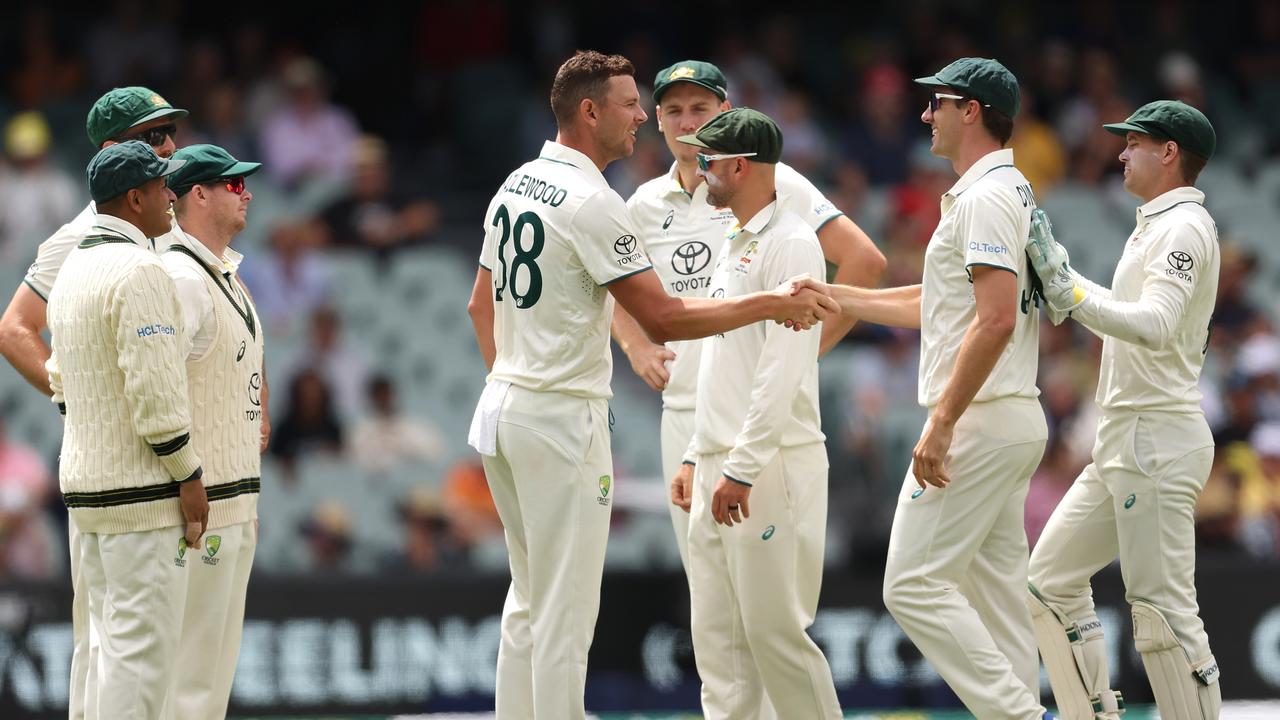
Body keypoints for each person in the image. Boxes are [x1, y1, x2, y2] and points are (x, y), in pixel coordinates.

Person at [465, 50, 836, 720]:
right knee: (566, 610)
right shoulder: (598, 202)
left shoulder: (516, 182)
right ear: (590, 111)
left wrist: (513, 383)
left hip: (504, 408)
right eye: (633, 104)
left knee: (528, 599)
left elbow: (478, 307)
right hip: (561, 417)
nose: (642, 117)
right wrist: (769, 305)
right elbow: (662, 315)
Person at [792, 58, 1050, 719]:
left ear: (971, 111)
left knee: (911, 585)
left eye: (936, 104)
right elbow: (939, 302)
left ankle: (1025, 716)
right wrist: (838, 295)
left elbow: (993, 319)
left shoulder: (987, 197)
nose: (923, 115)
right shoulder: (999, 191)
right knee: (995, 599)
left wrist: (941, 422)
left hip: (980, 420)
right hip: (1009, 417)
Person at [618, 59, 886, 577]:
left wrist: (801, 350)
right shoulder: (644, 204)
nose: (687, 122)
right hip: (685, 414)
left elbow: (864, 262)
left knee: (769, 601)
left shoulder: (768, 177)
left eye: (700, 108)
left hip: (758, 412)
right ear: (656, 119)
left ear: (727, 110)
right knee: (709, 591)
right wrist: (635, 347)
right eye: (673, 111)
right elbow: (610, 291)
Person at [1025, 100, 1222, 720]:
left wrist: (1070, 292)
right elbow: (1131, 309)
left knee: (1162, 611)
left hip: (1157, 439)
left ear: (1169, 153)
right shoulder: (1155, 224)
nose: (1120, 152)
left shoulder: (1184, 227)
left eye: (1133, 142)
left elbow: (1157, 324)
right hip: (1124, 440)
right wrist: (1067, 278)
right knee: (1050, 582)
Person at [0, 86, 187, 720]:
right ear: (111, 150)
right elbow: (15, 327)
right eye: (153, 136)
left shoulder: (163, 215)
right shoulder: (82, 235)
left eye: (169, 133)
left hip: (118, 468)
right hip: (136, 468)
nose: (170, 146)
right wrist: (78, 395)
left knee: (112, 647)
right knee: (126, 648)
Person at [671, 107, 842, 719]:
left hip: (769, 465)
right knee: (721, 650)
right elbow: (725, 363)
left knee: (777, 639)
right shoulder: (733, 236)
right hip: (723, 458)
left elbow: (781, 369)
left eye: (707, 160)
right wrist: (698, 452)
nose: (698, 169)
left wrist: (740, 466)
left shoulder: (793, 242)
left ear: (739, 166)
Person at [47, 141, 206, 719]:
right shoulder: (141, 269)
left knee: (100, 654)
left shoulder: (72, 272)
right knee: (139, 662)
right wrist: (189, 476)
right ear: (134, 199)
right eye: (161, 187)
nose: (171, 196)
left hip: (86, 491)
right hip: (138, 497)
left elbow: (58, 382)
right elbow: (158, 401)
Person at [161, 143, 267, 720]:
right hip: (201, 507)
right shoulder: (183, 276)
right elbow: (155, 381)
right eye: (232, 185)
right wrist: (188, 478)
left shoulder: (219, 272)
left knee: (210, 677)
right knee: (191, 677)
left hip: (231, 496)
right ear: (196, 194)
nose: (245, 191)